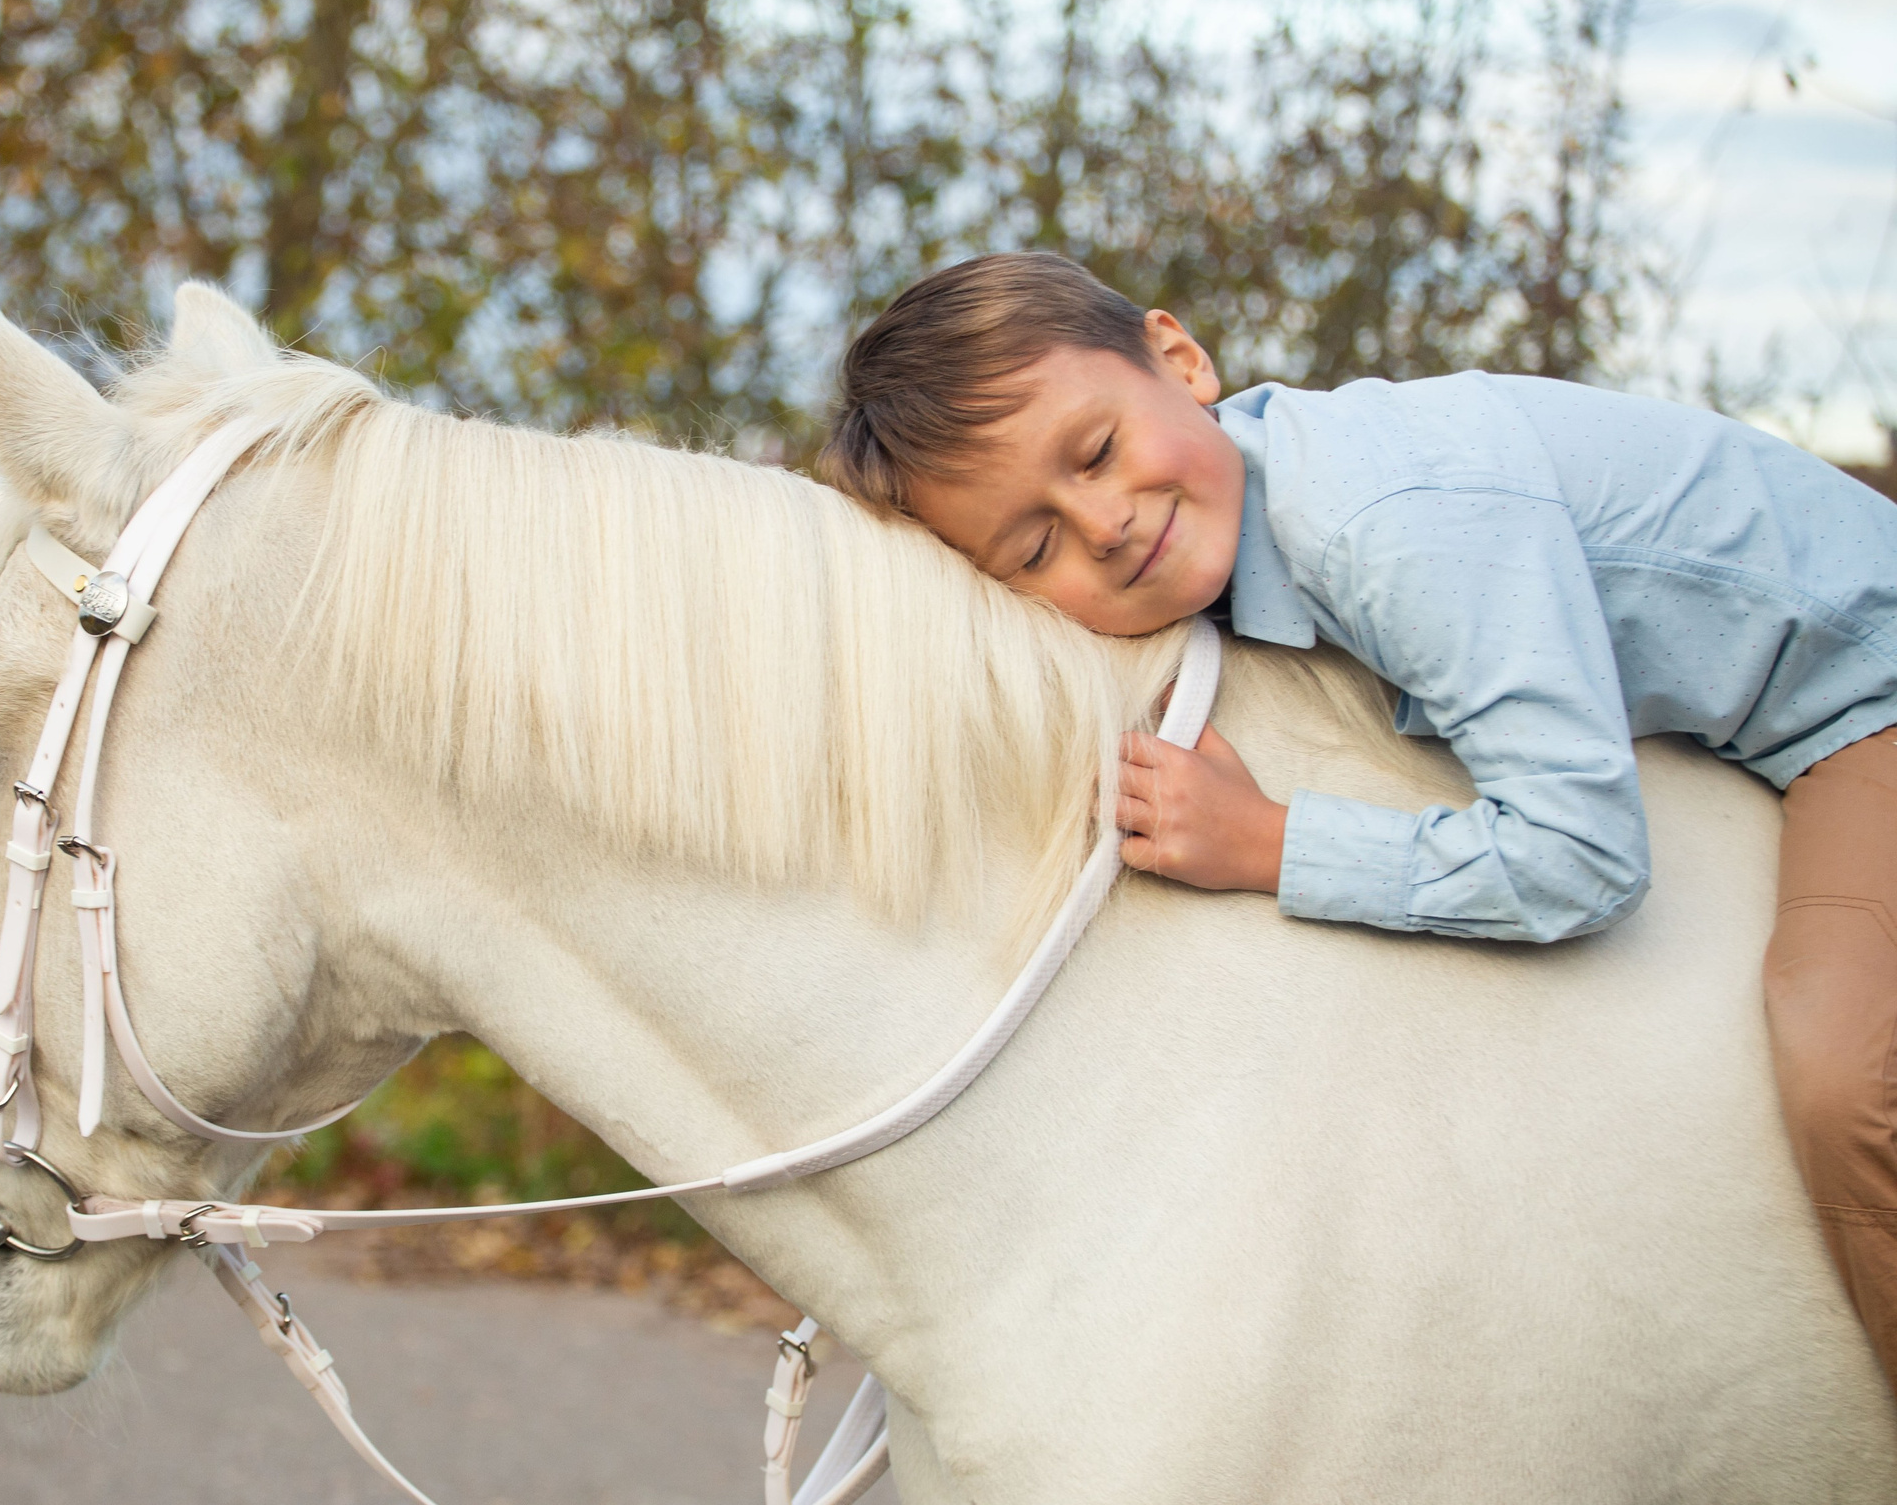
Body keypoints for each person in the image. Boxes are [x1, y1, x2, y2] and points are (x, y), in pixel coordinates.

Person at [813, 250, 1897, 1387]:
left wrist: (1266, 841)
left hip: (1861, 688)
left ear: (1177, 360)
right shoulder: (1263, 511)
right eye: (1032, 548)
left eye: (1095, 452)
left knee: (1845, 1067)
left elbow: (1581, 855)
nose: (1100, 524)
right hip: (1780, 705)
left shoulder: (1379, 520)